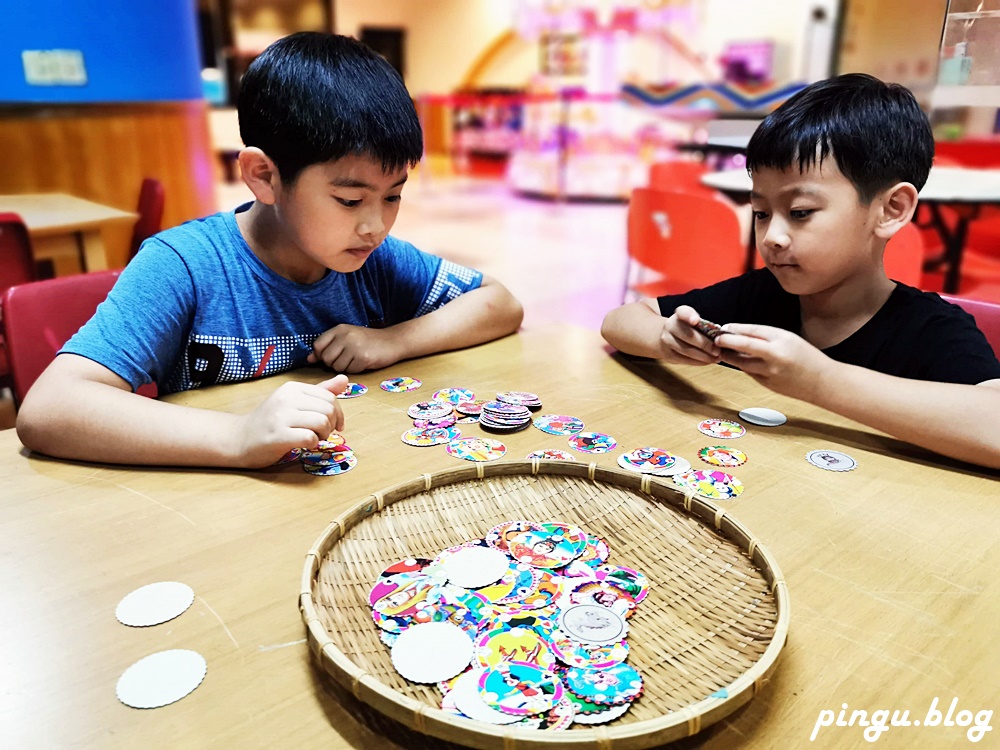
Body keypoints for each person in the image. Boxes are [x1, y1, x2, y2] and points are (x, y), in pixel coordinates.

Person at [16, 33, 523, 468]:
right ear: (264, 176)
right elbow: (50, 408)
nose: (375, 225)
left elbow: (500, 303)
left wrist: (393, 341)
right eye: (350, 199)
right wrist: (236, 437)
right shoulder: (184, 265)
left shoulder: (375, 259)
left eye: (393, 196)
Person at [602, 74, 1000, 469]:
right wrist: (666, 339)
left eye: (800, 213)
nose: (772, 236)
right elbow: (621, 320)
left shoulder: (929, 329)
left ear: (891, 209)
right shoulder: (762, 294)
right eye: (760, 213)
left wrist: (818, 381)